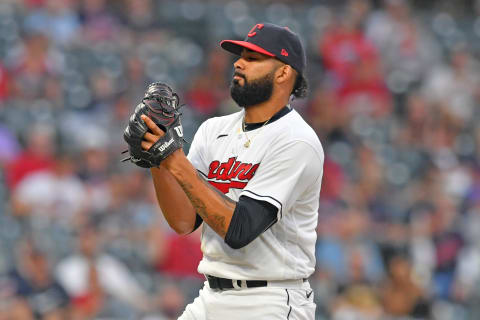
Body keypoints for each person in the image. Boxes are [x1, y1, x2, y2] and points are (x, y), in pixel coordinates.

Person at [138, 23, 324, 319]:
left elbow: (240, 230)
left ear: (283, 73)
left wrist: (174, 160)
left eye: (253, 58)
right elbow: (184, 222)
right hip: (210, 297)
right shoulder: (214, 129)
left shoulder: (296, 140)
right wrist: (157, 161)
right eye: (240, 55)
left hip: (271, 299)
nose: (238, 62)